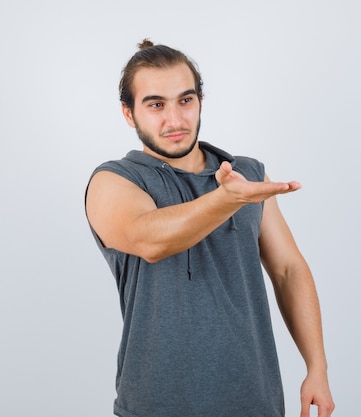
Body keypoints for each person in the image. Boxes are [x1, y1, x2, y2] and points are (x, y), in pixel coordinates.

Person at [85, 39, 334, 417]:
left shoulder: (246, 174)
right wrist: (227, 199)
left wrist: (317, 368)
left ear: (200, 100)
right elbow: (150, 239)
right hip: (156, 406)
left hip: (257, 402)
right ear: (128, 113)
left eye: (185, 100)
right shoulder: (115, 180)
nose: (175, 120)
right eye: (155, 105)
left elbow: (288, 270)